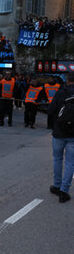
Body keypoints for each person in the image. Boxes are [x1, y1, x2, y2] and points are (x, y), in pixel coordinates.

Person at [47, 72, 74, 203]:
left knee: (57, 159)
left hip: (58, 132)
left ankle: (56, 185)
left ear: (67, 80)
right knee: (70, 163)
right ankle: (64, 191)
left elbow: (50, 110)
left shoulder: (60, 93)